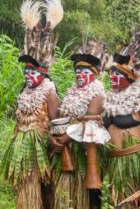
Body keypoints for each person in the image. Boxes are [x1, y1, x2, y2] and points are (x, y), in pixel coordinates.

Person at [0, 0, 63, 209]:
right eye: (25, 70)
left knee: (46, 187)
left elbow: (57, 122)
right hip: (22, 146)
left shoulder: (50, 92)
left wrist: (54, 147)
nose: (27, 75)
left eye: (32, 71)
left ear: (43, 73)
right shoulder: (25, 90)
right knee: (26, 187)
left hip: (42, 147)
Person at [102, 21, 140, 208]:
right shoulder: (110, 98)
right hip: (114, 165)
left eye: (117, 75)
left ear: (130, 78)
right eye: (111, 74)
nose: (112, 78)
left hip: (133, 164)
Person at [51, 40, 109, 209]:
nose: (79, 75)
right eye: (77, 71)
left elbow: (89, 123)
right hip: (67, 146)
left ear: (95, 74)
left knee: (88, 190)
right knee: (68, 192)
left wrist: (64, 139)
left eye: (84, 71)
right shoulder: (72, 92)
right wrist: (54, 137)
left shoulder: (97, 94)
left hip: (86, 148)